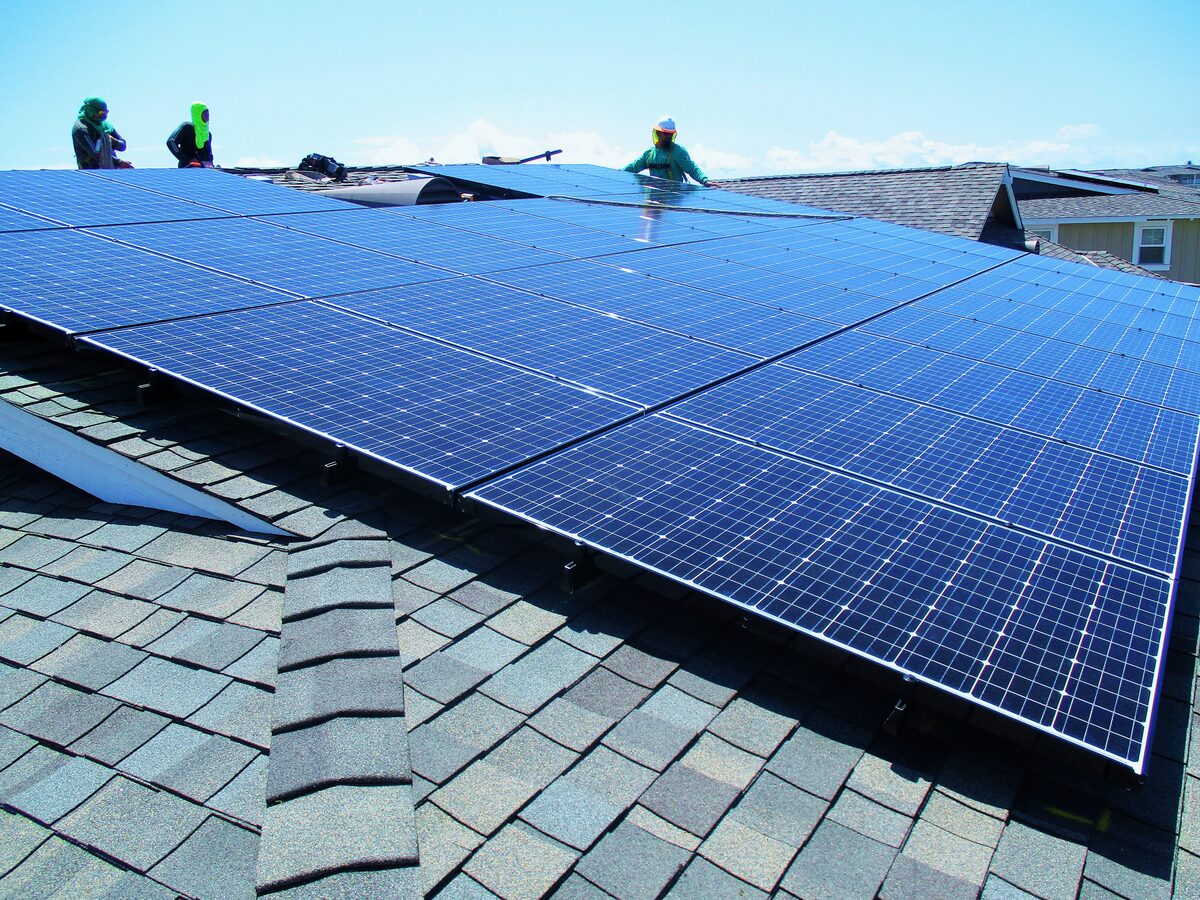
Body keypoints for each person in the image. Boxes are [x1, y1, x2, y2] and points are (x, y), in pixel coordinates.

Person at [624, 116, 712, 186]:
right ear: (658, 133)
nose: (668, 137)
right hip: (655, 198)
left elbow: (692, 169)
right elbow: (633, 167)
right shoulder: (649, 154)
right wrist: (613, 174)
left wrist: (704, 180)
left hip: (674, 198)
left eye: (670, 134)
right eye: (665, 133)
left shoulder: (678, 152)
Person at [72, 97, 128, 169]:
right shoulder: (81, 128)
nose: (104, 115)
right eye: (101, 112)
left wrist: (114, 141)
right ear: (91, 111)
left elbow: (123, 146)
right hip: (91, 172)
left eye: (106, 113)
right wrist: (119, 162)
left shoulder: (106, 126)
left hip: (110, 169)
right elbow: (95, 154)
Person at [167, 102, 214, 168]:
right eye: (204, 113)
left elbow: (208, 156)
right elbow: (171, 142)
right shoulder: (187, 127)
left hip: (204, 173)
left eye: (208, 114)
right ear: (197, 114)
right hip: (187, 171)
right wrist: (186, 160)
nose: (207, 116)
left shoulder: (208, 135)